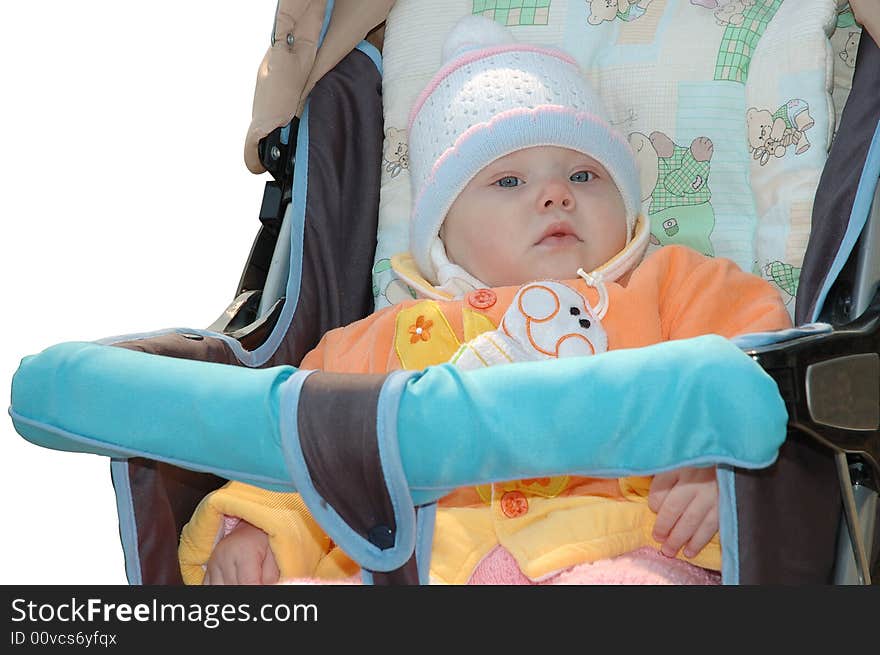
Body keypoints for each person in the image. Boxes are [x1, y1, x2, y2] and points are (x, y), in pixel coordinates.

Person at [179, 16, 792, 586]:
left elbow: (759, 362)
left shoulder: (670, 284)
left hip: (619, 544)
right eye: (508, 181)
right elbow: (309, 444)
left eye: (584, 175)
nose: (555, 194)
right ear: (442, 232)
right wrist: (259, 526)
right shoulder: (382, 337)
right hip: (419, 564)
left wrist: (721, 463)